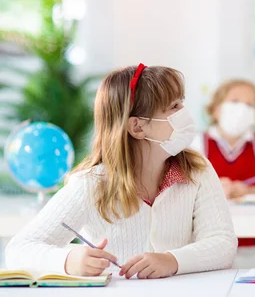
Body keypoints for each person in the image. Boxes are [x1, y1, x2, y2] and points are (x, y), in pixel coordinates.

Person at [5, 64, 237, 278]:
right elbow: (19, 250)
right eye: (174, 107)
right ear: (137, 127)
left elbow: (223, 243)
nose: (185, 112)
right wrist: (68, 259)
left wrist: (172, 260)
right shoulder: (90, 183)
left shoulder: (197, 170)